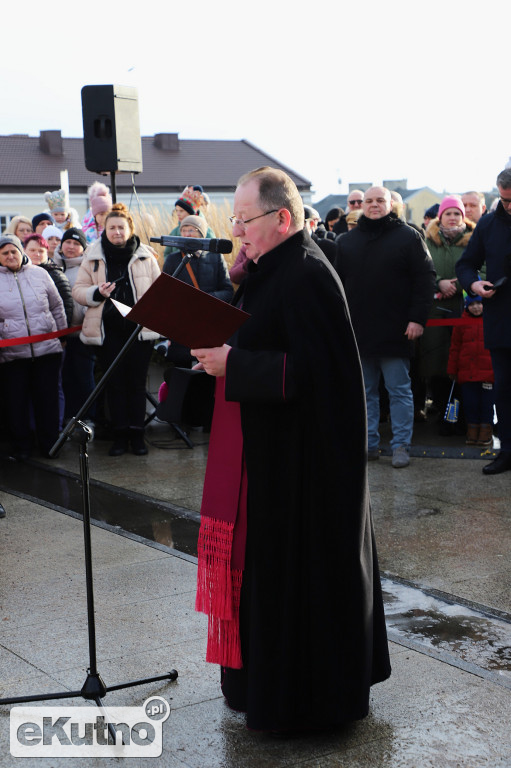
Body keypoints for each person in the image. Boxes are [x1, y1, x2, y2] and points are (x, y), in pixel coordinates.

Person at [191, 166, 391, 733]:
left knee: (296, 583)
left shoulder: (306, 273)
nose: (237, 231)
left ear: (282, 218)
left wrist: (237, 365)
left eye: (244, 220)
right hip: (270, 455)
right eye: (233, 219)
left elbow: (323, 374)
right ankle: (259, 686)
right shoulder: (266, 267)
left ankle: (304, 704)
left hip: (305, 470)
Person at [335, 186, 436, 468]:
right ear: (361, 206)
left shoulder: (408, 237)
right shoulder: (346, 241)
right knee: (365, 392)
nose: (374, 205)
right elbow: (337, 287)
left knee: (399, 390)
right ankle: (369, 444)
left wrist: (417, 318)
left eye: (380, 200)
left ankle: (401, 445)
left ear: (391, 204)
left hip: (397, 329)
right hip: (359, 332)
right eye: (369, 201)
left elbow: (425, 279)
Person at [72, 203, 161, 457]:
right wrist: (96, 292)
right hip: (108, 330)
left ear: (129, 228)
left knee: (136, 383)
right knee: (115, 384)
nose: (117, 232)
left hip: (139, 331)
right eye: (112, 227)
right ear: (105, 229)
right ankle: (120, 436)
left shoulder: (146, 255)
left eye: (121, 227)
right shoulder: (92, 254)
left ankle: (137, 435)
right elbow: (78, 291)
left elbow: (159, 291)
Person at [456, 168, 511, 474]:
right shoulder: (488, 224)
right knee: (504, 391)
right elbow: (466, 264)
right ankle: (508, 452)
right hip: (502, 320)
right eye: (504, 200)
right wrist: (474, 285)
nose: (509, 207)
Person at [0, 234, 67, 459]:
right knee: (16, 403)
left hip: (47, 351)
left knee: (47, 401)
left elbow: (57, 306)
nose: (10, 256)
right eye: (5, 253)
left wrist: (61, 335)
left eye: (14, 251)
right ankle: (23, 447)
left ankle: (50, 444)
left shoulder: (41, 274)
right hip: (13, 355)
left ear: (22, 252)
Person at [421, 195, 476, 432]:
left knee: (466, 366)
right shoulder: (426, 240)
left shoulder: (475, 240)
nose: (453, 218)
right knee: (437, 365)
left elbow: (482, 268)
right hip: (435, 314)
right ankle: (443, 417)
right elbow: (421, 270)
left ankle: (465, 418)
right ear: (440, 217)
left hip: (466, 313)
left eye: (457, 213)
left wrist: (462, 284)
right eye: (448, 214)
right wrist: (440, 283)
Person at [162, 214, 233, 367]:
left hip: (209, 325)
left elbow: (228, 291)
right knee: (181, 373)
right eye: (184, 230)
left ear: (202, 234)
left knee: (208, 373)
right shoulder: (172, 260)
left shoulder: (216, 258)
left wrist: (208, 299)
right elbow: (165, 296)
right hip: (181, 328)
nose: (187, 234)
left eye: (192, 230)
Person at [54, 228, 97, 429]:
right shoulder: (52, 266)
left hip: (82, 333)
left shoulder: (88, 268)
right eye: (67, 242)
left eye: (76, 243)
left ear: (83, 247)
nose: (71, 247)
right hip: (59, 335)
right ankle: (68, 416)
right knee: (65, 378)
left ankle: (89, 417)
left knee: (84, 378)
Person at [447, 295, 494, 446]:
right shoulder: (461, 323)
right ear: (466, 306)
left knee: (486, 404)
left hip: (488, 374)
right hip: (467, 373)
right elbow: (455, 347)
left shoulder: (492, 321)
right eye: (472, 304)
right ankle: (472, 431)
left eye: (479, 303)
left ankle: (486, 432)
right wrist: (452, 369)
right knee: (470, 404)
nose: (476, 307)